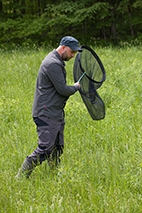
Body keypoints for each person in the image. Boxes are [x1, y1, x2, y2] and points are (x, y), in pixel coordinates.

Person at [15, 36, 81, 179]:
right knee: (45, 149)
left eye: (75, 53)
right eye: (71, 52)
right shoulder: (52, 63)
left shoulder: (57, 61)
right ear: (63, 47)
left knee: (58, 148)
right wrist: (76, 87)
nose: (72, 55)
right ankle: (20, 177)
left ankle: (53, 175)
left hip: (55, 112)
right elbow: (63, 90)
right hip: (46, 113)